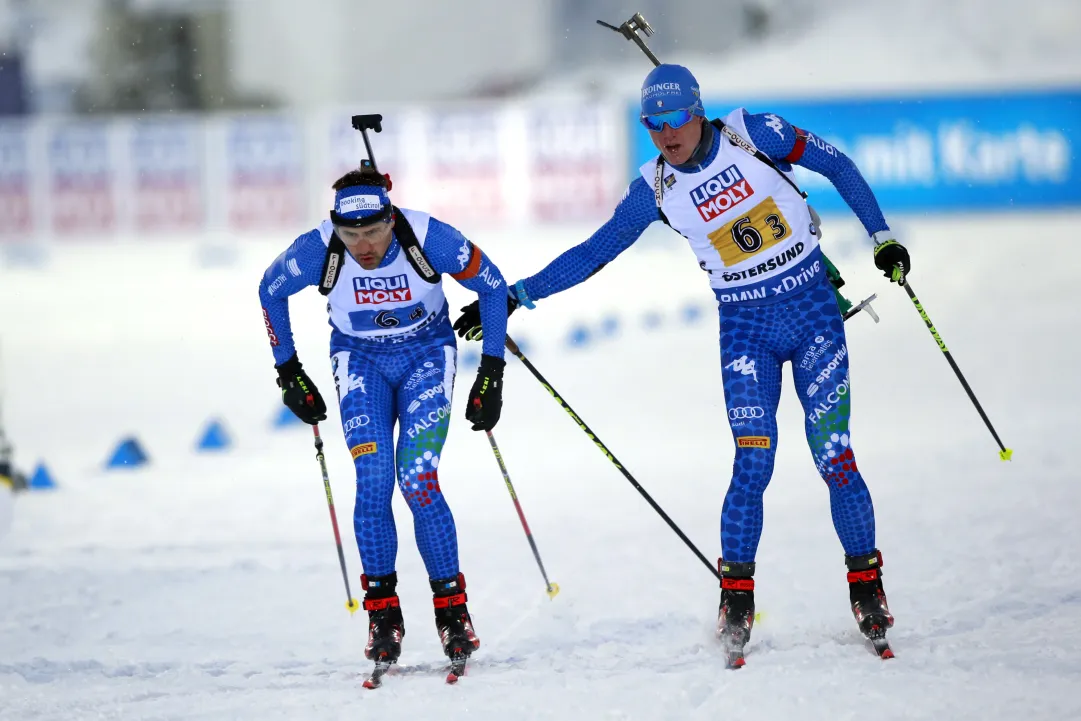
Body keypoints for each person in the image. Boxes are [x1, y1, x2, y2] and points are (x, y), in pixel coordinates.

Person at [454, 64, 910, 661]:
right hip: (745, 328)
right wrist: (516, 293)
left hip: (812, 314)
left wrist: (881, 236)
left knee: (834, 455)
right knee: (753, 461)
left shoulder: (755, 132)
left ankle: (867, 588)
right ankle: (737, 600)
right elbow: (597, 250)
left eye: (674, 120)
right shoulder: (656, 188)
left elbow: (839, 165)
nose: (666, 135)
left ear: (697, 111)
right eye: (653, 125)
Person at [259, 164, 510, 670]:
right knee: (373, 481)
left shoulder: (429, 236)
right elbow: (269, 290)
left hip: (425, 356)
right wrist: (289, 371)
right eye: (351, 235)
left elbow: (492, 283)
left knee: (417, 479)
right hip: (360, 361)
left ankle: (452, 611)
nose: (363, 245)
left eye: (373, 231)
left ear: (391, 219)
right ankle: (383, 614)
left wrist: (492, 372)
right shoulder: (317, 249)